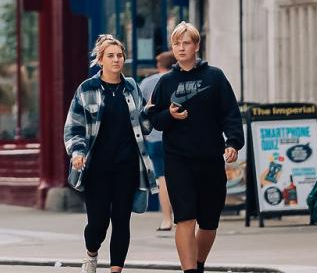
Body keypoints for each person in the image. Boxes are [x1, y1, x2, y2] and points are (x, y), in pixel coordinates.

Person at [145, 22, 243, 273]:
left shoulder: (215, 77)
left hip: (210, 157)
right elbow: (153, 118)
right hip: (179, 160)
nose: (180, 48)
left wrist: (232, 143)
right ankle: (189, 270)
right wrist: (169, 115)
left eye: (186, 42)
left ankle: (197, 264)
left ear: (196, 46)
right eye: (176, 43)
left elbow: (230, 114)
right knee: (185, 218)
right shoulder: (166, 82)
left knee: (209, 222)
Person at [66, 36, 158, 273]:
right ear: (100, 60)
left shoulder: (132, 88)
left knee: (121, 220)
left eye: (119, 55)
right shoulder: (86, 89)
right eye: (111, 56)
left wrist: (150, 112)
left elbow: (144, 127)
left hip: (126, 167)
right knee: (98, 223)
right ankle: (91, 253)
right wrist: (77, 152)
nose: (116, 60)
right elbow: (74, 127)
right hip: (97, 168)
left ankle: (116, 270)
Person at [139, 50, 177, 231]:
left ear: (159, 65)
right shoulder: (179, 80)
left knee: (163, 178)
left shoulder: (147, 83)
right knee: (181, 176)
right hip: (177, 135)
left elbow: (140, 111)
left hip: (155, 138)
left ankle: (166, 219)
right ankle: (183, 216)